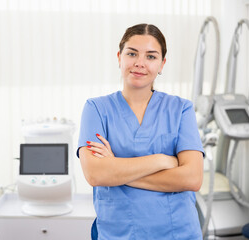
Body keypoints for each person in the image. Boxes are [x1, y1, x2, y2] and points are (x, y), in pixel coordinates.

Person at [77, 23, 204, 239]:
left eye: (151, 57)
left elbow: (192, 178)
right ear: (119, 57)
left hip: (177, 232)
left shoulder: (181, 109)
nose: (139, 63)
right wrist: (161, 160)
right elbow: (96, 174)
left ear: (162, 64)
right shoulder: (96, 109)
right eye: (132, 53)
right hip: (119, 232)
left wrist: (116, 170)